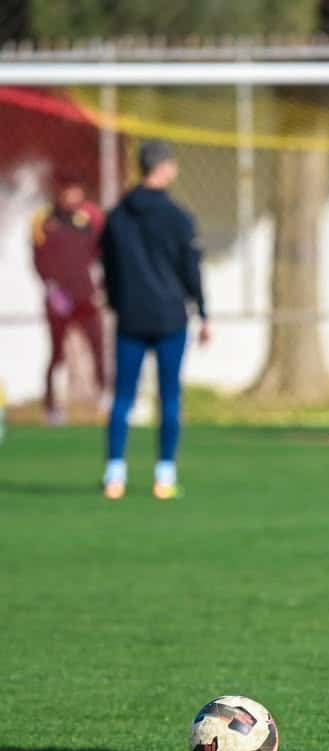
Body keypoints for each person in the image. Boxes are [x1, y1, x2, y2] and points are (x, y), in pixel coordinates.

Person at [101, 140, 210, 500]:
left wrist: (119, 304)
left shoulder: (116, 217)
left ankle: (114, 474)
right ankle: (164, 475)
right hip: (168, 319)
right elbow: (190, 270)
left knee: (122, 397)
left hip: (130, 317)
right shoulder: (178, 218)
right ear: (164, 167)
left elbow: (109, 271)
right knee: (169, 398)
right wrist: (203, 311)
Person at [31, 173, 106, 423]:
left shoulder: (90, 220)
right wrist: (52, 288)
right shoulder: (45, 221)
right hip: (59, 299)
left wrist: (100, 286)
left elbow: (102, 254)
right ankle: (52, 406)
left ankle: (105, 398)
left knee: (98, 345)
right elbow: (38, 259)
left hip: (85, 296)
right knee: (57, 353)